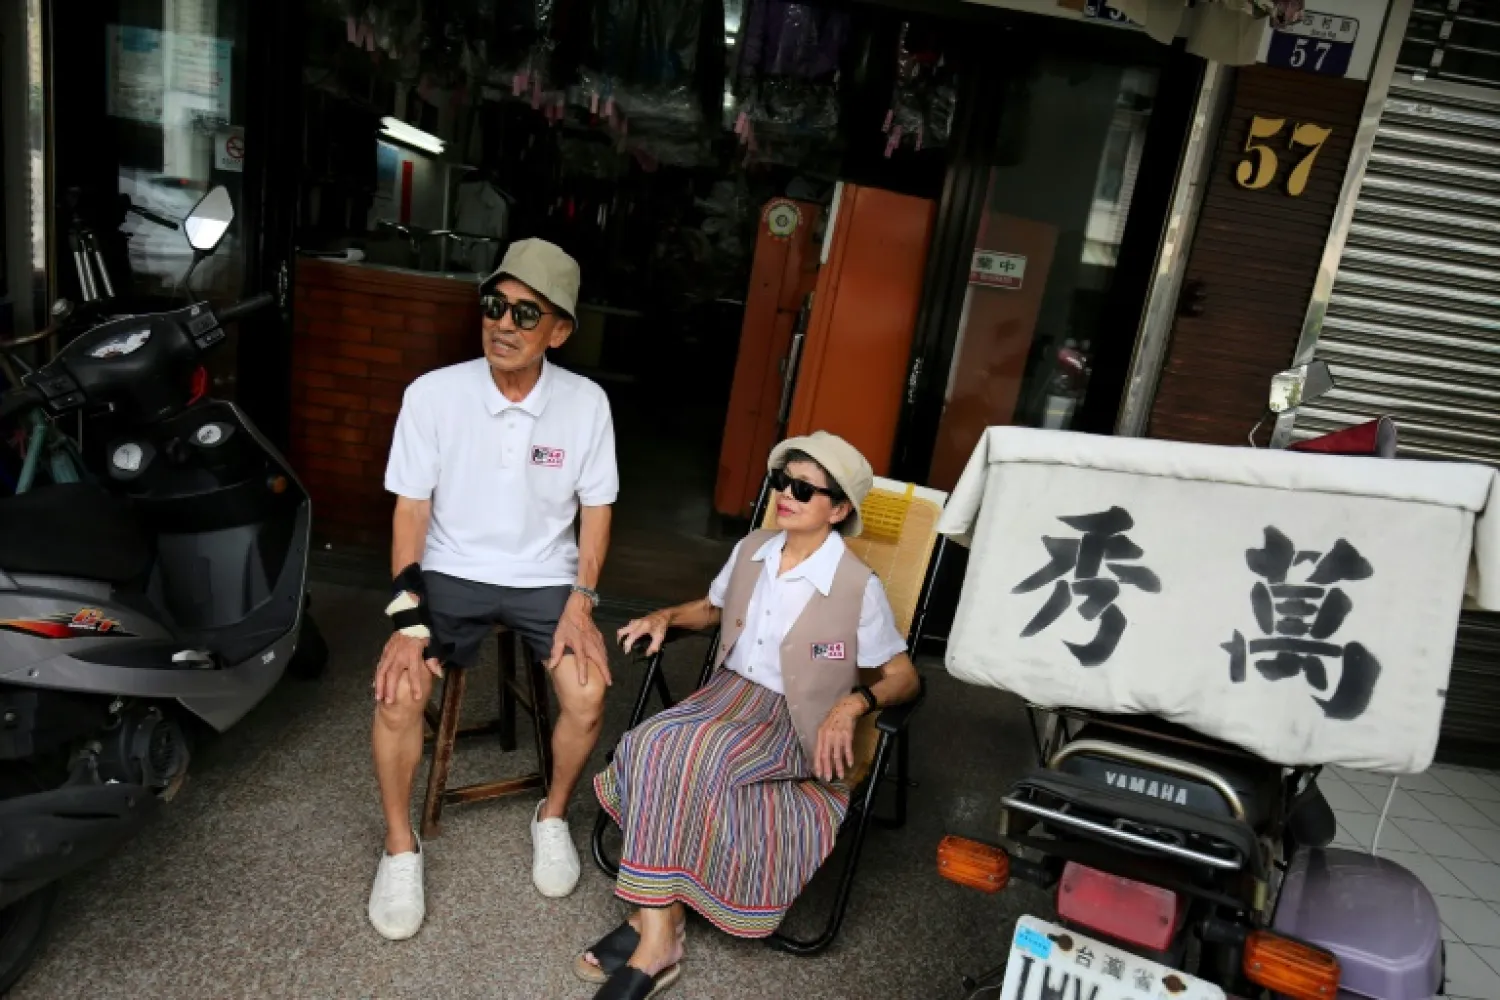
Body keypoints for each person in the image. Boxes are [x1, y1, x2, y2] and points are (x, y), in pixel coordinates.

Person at [580, 432, 921, 999]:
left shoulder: (857, 587)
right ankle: (657, 927)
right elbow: (713, 609)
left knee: (693, 753)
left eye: (805, 488)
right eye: (782, 481)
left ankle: (649, 931)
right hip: (726, 695)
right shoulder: (753, 549)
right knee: (648, 741)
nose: (786, 493)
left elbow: (905, 676)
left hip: (792, 718)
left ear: (838, 510)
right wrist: (667, 615)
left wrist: (854, 702)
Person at [367, 239, 618, 941]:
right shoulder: (434, 395)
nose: (503, 324)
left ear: (559, 330)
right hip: (449, 572)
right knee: (399, 691)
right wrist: (406, 617)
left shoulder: (586, 404)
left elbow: (597, 511)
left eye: (525, 312)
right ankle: (398, 849)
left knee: (589, 691)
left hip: (546, 580)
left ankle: (552, 815)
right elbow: (410, 510)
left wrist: (583, 599)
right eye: (494, 305)